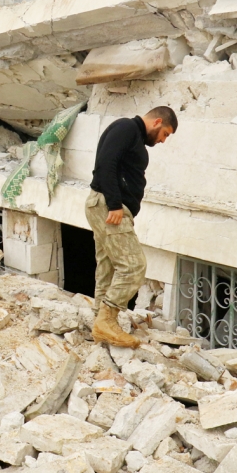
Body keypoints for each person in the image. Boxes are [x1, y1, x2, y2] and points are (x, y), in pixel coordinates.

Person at [86, 106, 177, 349]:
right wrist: (115, 204)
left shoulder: (132, 135)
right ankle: (107, 321)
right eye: (165, 133)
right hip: (109, 206)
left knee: (108, 265)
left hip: (107, 206)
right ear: (157, 122)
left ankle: (100, 321)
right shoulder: (127, 127)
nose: (163, 140)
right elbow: (106, 163)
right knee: (134, 266)